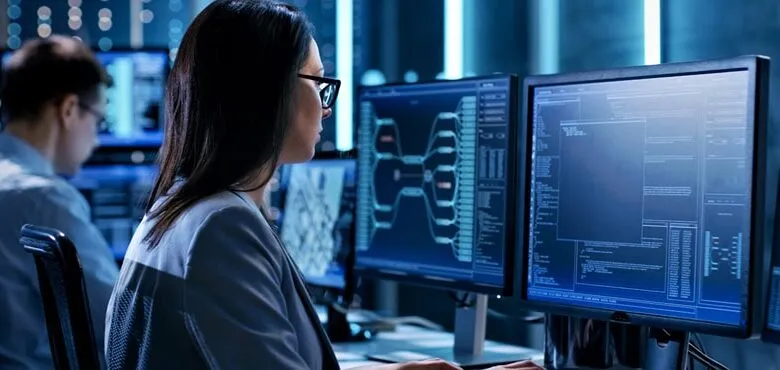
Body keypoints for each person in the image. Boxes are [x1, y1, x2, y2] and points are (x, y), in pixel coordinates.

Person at [103, 1, 542, 369]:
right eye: (318, 83)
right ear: (267, 91)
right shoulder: (220, 227)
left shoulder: (174, 209)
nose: (327, 108)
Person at [0, 36, 119, 368]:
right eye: (98, 121)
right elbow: (119, 323)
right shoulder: (41, 197)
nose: (96, 139)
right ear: (68, 109)